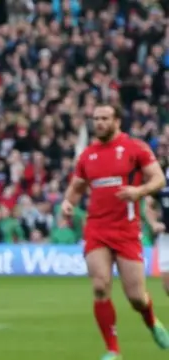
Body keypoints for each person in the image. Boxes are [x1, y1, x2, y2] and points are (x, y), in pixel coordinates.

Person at [62, 104, 169, 360]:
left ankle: (151, 319)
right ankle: (113, 349)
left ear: (117, 121)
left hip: (126, 230)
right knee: (100, 286)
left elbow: (158, 179)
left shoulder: (135, 149)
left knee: (136, 298)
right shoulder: (88, 155)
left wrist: (139, 192)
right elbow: (77, 187)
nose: (98, 123)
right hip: (96, 229)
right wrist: (68, 203)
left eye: (104, 118)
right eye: (95, 118)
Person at [144, 151, 169, 295]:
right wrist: (153, 223)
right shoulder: (161, 179)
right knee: (167, 286)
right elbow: (148, 204)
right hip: (166, 237)